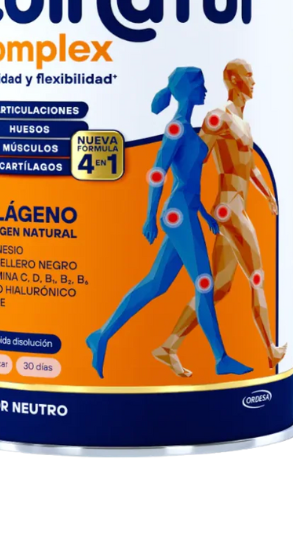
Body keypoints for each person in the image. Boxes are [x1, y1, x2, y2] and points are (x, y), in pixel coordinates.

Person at [87, 67, 252, 379]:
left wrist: (204, 214)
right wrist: (149, 217)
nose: (205, 90)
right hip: (177, 215)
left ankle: (101, 335)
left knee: (155, 284)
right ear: (187, 90)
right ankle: (221, 359)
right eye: (201, 85)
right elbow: (157, 173)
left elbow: (188, 183)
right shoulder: (176, 128)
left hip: (187, 211)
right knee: (205, 283)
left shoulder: (187, 128)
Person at [154, 59, 286, 377]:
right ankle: (270, 349)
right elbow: (196, 156)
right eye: (248, 76)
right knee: (257, 275)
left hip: (237, 205)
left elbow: (249, 166)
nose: (254, 82)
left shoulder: (243, 123)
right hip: (229, 207)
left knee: (219, 288)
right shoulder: (218, 118)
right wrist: (188, 199)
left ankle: (169, 346)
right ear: (233, 80)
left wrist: (269, 195)